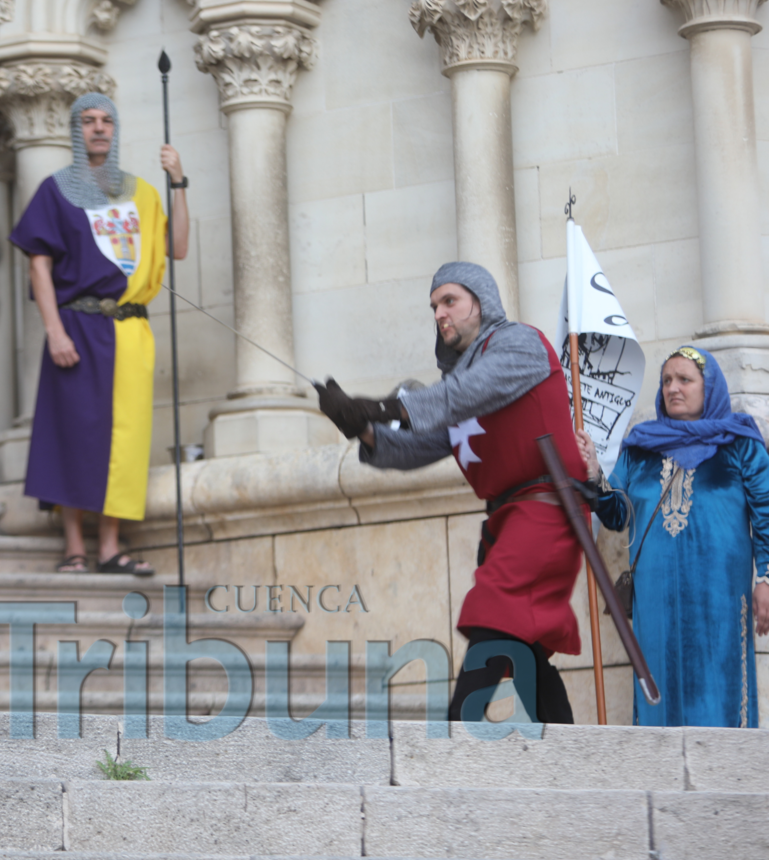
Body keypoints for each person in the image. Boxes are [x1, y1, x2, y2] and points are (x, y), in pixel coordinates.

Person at [315, 262, 586, 724]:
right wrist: (362, 428)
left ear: (481, 302)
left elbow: (463, 394)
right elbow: (420, 443)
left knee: (494, 613)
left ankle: (456, 734)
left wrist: (382, 406)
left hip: (546, 509)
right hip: (509, 521)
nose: (440, 314)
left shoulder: (519, 344)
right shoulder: (455, 386)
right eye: (434, 306)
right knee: (525, 646)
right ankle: (571, 757)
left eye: (450, 301)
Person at [10, 92, 189, 574]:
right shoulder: (56, 190)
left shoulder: (141, 193)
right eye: (88, 120)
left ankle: (110, 547)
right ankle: (74, 547)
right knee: (71, 433)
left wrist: (178, 183)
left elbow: (178, 247)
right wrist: (53, 331)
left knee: (125, 440)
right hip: (76, 326)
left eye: (107, 120)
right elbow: (39, 266)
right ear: (76, 129)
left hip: (129, 331)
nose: (98, 128)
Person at [578, 346, 769, 727]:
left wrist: (765, 578)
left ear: (709, 387)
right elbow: (617, 514)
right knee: (658, 691)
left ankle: (724, 781)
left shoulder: (740, 443)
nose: (673, 388)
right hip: (656, 600)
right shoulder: (640, 448)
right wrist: (594, 474)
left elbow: (765, 514)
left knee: (720, 690)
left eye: (685, 379)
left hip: (721, 599)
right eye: (667, 380)